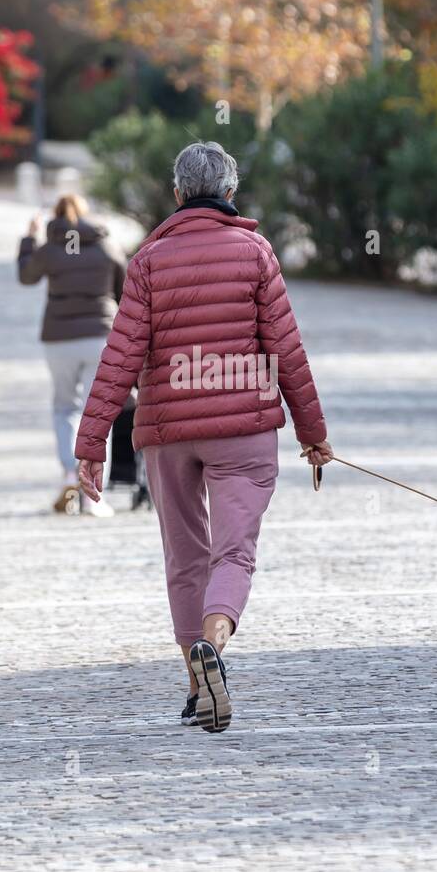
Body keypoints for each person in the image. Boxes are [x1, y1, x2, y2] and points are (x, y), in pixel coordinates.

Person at [74, 141, 332, 732]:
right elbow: (286, 351)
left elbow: (120, 356)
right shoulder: (255, 252)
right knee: (233, 552)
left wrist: (92, 444)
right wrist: (313, 433)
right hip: (243, 430)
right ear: (231, 193)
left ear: (177, 195)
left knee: (184, 558)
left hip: (168, 431)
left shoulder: (148, 261)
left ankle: (197, 688)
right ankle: (216, 641)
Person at [18, 192, 127, 516]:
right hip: (99, 338)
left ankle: (69, 472)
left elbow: (26, 276)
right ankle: (94, 494)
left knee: (65, 406)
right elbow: (125, 287)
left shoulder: (51, 248)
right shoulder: (105, 246)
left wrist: (28, 237)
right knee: (98, 412)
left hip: (58, 338)